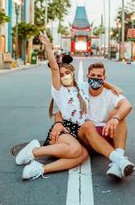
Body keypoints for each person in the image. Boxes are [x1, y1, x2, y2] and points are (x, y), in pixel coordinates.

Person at [15, 33, 89, 180]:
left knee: (82, 155)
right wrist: (48, 46)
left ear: (72, 72)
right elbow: (54, 68)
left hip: (79, 131)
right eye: (62, 75)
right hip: (66, 129)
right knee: (75, 150)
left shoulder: (82, 87)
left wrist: (111, 86)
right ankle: (34, 151)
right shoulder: (59, 90)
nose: (64, 76)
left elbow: (96, 80)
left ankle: (39, 169)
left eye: (67, 72)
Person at [53, 62, 135, 179]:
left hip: (106, 134)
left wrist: (115, 119)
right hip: (86, 136)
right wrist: (58, 123)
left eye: (99, 76)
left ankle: (118, 161)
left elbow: (127, 105)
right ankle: (120, 161)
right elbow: (61, 111)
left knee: (119, 115)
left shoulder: (110, 93)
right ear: (87, 76)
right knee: (88, 125)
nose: (95, 79)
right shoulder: (80, 88)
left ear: (104, 78)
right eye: (92, 75)